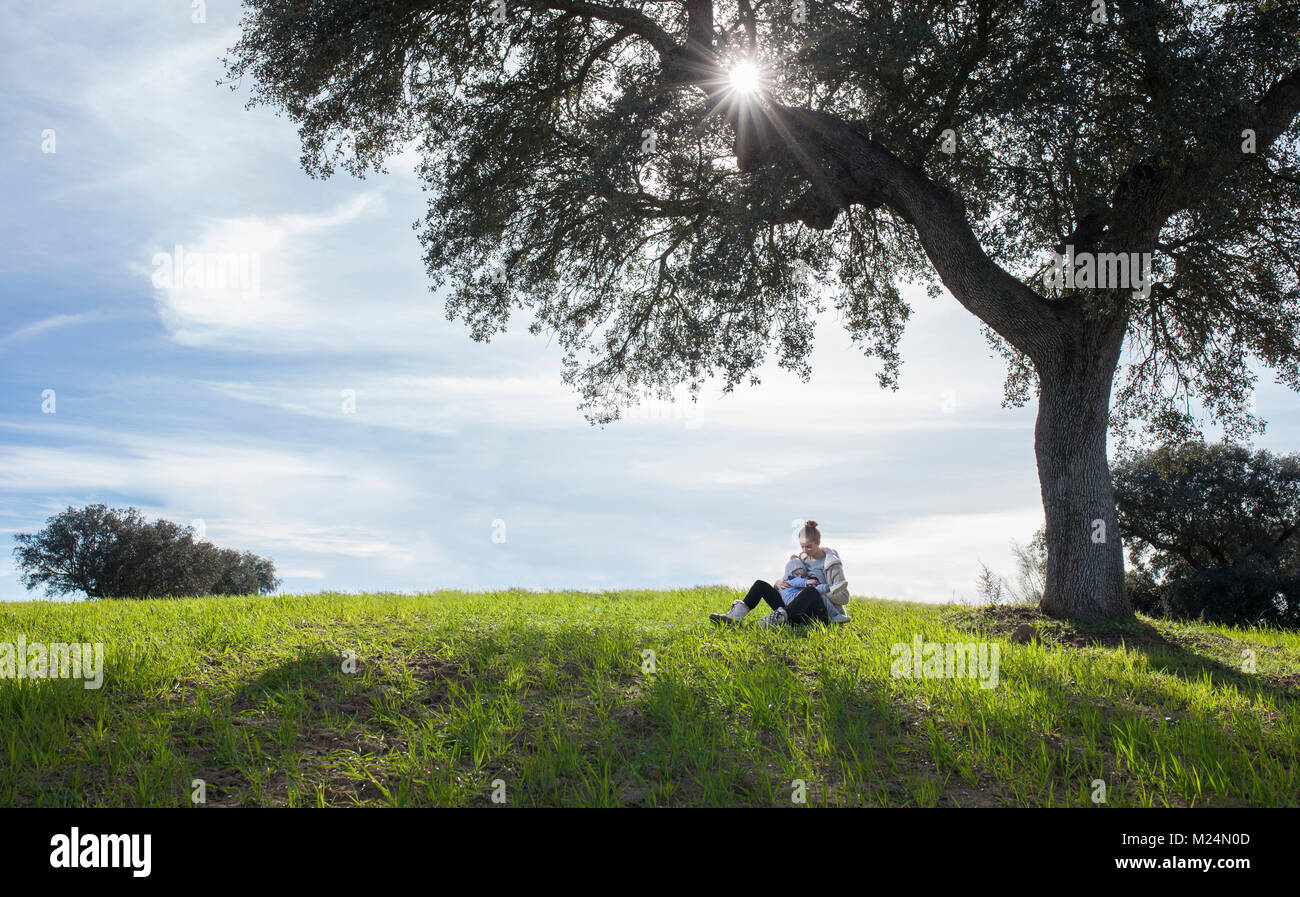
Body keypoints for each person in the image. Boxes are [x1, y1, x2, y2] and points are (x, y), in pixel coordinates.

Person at [710, 520, 851, 627]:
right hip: (794, 610)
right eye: (802, 546)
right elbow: (792, 580)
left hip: (820, 615)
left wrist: (817, 589)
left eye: (809, 546)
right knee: (760, 585)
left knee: (810, 592)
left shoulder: (831, 564)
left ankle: (776, 619)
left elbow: (844, 597)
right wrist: (779, 583)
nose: (805, 550)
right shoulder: (801, 559)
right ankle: (734, 618)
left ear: (818, 542)